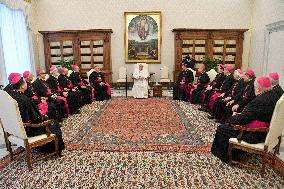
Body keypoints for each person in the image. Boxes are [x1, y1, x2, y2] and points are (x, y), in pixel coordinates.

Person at [211, 76, 280, 163]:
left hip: (254, 134)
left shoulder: (259, 100)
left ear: (258, 89)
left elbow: (243, 119)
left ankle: (228, 156)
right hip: (266, 131)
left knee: (222, 128)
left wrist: (233, 117)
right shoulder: (274, 95)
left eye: (254, 88)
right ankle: (238, 152)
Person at [9, 74, 65, 155]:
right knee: (54, 124)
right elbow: (35, 119)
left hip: (16, 130)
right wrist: (44, 118)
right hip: (29, 130)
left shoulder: (11, 97)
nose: (26, 84)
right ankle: (50, 149)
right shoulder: (25, 100)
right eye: (25, 83)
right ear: (22, 87)